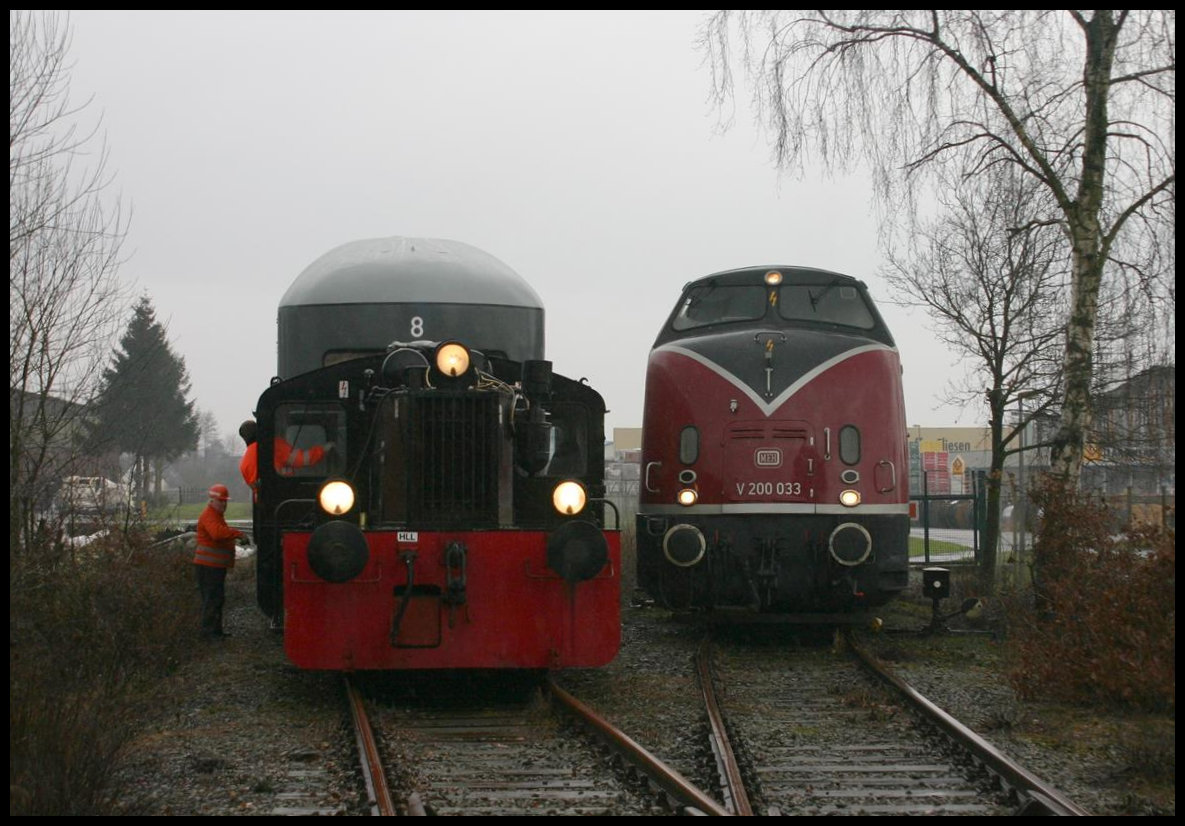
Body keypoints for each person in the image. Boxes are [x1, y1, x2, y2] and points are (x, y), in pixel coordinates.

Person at [194, 483, 246, 639]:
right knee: (212, 599)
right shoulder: (209, 516)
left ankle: (216, 631)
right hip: (209, 567)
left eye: (225, 501)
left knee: (217, 598)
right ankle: (209, 633)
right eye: (221, 501)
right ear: (213, 500)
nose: (224, 504)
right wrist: (237, 534)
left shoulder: (216, 516)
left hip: (214, 566)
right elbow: (217, 534)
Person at [239, 419, 332, 498]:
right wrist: (324, 449)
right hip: (287, 495)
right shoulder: (274, 445)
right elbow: (302, 459)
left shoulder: (244, 464)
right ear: (259, 430)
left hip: (265, 505)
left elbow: (255, 488)